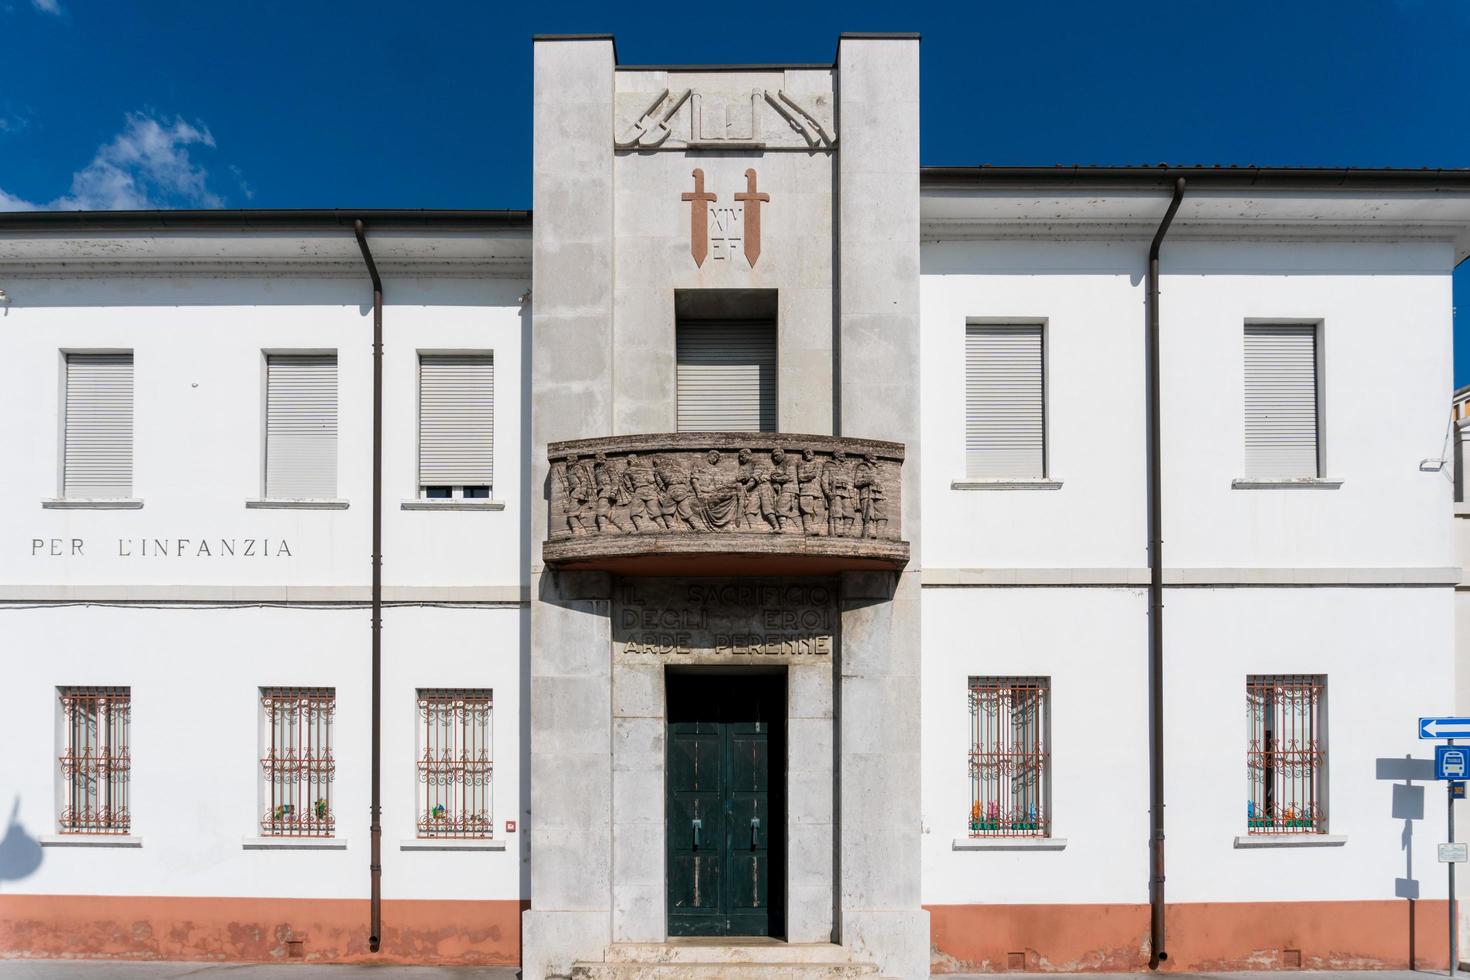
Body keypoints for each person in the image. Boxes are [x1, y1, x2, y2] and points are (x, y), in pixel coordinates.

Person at [655, 454, 703, 531]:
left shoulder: (658, 468)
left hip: (672, 488)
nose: (655, 465)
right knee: (686, 511)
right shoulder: (677, 466)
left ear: (658, 460)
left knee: (666, 512)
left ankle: (672, 528)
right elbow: (686, 477)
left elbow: (660, 483)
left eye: (655, 463)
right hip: (683, 488)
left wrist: (665, 491)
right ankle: (698, 527)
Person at [621, 452, 666, 532]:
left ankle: (641, 529)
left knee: (634, 513)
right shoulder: (647, 468)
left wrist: (633, 492)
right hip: (650, 491)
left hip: (639, 491)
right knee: (655, 511)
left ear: (630, 461)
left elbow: (628, 485)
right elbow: (652, 480)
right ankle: (663, 528)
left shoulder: (628, 470)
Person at [738, 447, 778, 531]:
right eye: (740, 457)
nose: (741, 459)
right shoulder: (745, 466)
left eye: (742, 456)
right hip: (755, 489)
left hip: (764, 487)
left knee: (768, 510)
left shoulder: (758, 462)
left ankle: (776, 527)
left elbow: (754, 478)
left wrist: (746, 487)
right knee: (749, 510)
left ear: (748, 455)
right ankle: (754, 529)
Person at [592, 451, 630, 533]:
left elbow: (615, 480)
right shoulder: (597, 469)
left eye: (598, 458)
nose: (596, 460)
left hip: (607, 490)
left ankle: (603, 529)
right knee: (608, 512)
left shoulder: (608, 467)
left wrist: (613, 492)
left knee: (601, 510)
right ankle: (623, 528)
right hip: (602, 491)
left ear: (602, 458)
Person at [822, 449, 856, 537]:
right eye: (841, 454)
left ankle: (846, 532)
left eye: (844, 454)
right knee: (836, 513)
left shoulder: (847, 466)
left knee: (850, 513)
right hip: (834, 491)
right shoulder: (828, 465)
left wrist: (852, 495)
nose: (843, 456)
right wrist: (827, 492)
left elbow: (851, 481)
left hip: (847, 492)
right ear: (836, 455)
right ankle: (837, 532)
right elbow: (824, 480)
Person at [854, 452, 887, 538]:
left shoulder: (877, 468)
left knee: (882, 515)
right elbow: (857, 482)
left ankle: (880, 535)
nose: (875, 458)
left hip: (879, 494)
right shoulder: (862, 467)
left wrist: (884, 494)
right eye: (873, 456)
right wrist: (867, 481)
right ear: (868, 458)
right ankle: (869, 533)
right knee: (869, 514)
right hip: (867, 494)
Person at [561, 453, 595, 534]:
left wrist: (582, 493)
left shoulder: (577, 468)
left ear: (574, 460)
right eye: (567, 459)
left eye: (569, 459)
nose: (567, 460)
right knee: (578, 514)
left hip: (577, 493)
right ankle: (588, 531)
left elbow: (584, 481)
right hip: (573, 493)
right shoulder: (570, 469)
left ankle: (577, 532)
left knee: (571, 514)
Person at [768, 448, 797, 532]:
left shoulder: (789, 462)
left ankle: (783, 528)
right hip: (783, 489)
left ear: (782, 454)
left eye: (777, 455)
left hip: (790, 488)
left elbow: (790, 477)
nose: (775, 458)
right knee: (793, 512)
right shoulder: (779, 465)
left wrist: (776, 479)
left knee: (781, 507)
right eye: (774, 457)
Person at [797, 448, 825, 534]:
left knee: (820, 511)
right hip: (806, 490)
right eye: (804, 453)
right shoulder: (801, 464)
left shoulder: (819, 464)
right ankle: (808, 529)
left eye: (808, 452)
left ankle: (816, 528)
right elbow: (800, 477)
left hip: (817, 491)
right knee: (806, 510)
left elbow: (822, 478)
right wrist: (810, 476)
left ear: (813, 454)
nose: (806, 454)